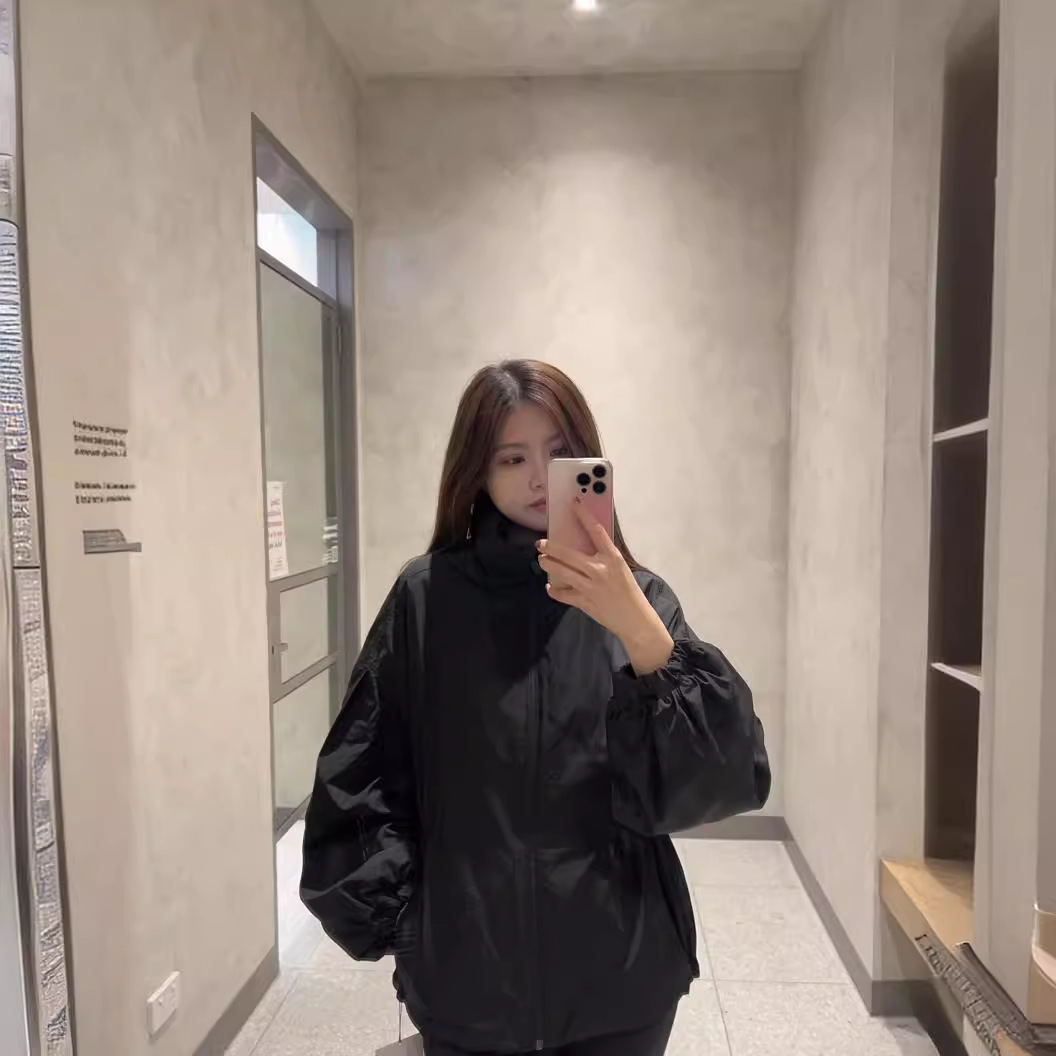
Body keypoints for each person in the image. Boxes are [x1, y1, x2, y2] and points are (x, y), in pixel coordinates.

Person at [300, 360, 770, 1056]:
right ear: (477, 471)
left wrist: (640, 633)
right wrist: (410, 926)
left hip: (624, 978)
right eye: (512, 457)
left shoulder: (642, 601)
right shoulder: (426, 599)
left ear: (588, 461)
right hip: (468, 986)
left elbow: (722, 780)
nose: (537, 479)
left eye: (558, 454)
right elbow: (361, 771)